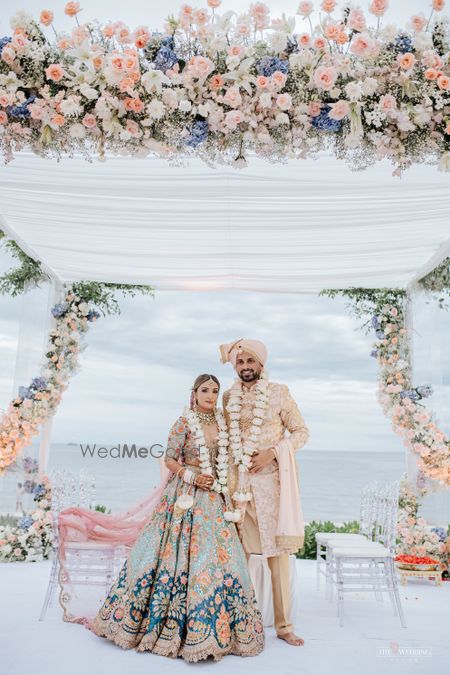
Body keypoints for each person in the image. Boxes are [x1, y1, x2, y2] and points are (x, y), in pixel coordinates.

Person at [87, 373, 265, 662]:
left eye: (215, 391)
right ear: (194, 393)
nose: (210, 395)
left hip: (215, 498)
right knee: (174, 554)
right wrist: (192, 476)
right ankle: (165, 625)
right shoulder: (183, 422)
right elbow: (170, 459)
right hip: (185, 494)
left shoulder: (223, 422)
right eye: (205, 390)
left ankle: (213, 626)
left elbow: (230, 457)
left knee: (215, 556)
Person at [220, 339, 310, 647]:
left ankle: (284, 626)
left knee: (277, 557)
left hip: (272, 489)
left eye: (251, 361)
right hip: (238, 488)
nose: (245, 367)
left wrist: (272, 453)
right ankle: (237, 621)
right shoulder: (228, 396)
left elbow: (301, 433)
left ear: (261, 364)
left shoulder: (279, 393)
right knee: (238, 557)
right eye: (240, 362)